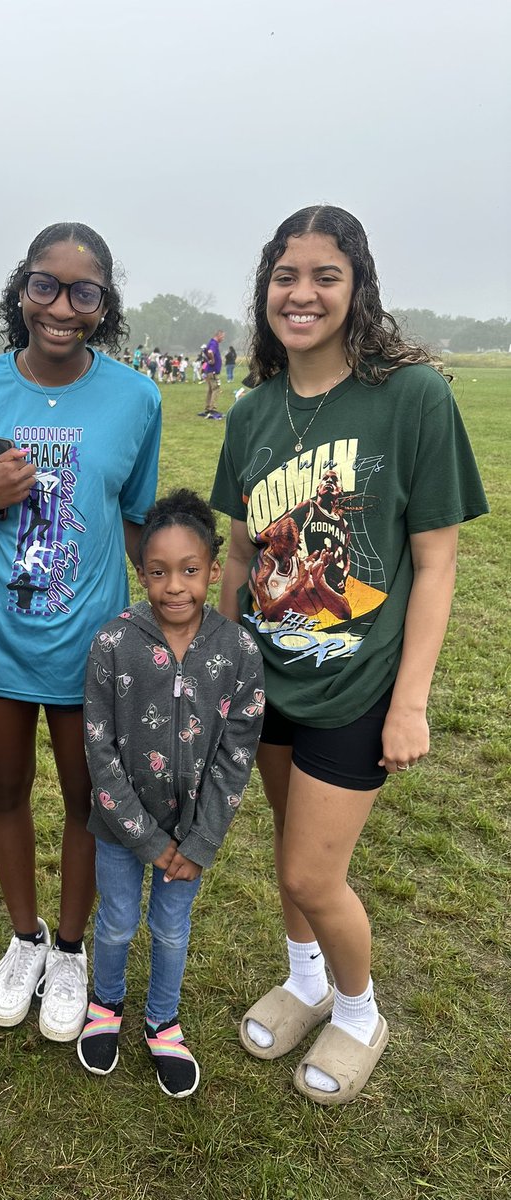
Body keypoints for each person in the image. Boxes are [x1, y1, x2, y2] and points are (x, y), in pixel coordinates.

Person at [211, 205, 488, 1105]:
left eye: (325, 275)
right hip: (266, 673)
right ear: (265, 291)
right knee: (286, 848)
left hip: (358, 682)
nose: (303, 293)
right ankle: (305, 981)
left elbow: (436, 561)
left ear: (357, 287)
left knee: (309, 871)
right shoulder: (252, 408)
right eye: (286, 275)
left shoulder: (413, 396)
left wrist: (410, 701)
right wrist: (217, 657)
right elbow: (246, 553)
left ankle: (360, 1012)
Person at [0, 222, 162, 1043]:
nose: (62, 305)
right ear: (20, 290)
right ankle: (22, 941)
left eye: (83, 291)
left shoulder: (137, 398)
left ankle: (68, 949)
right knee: (8, 792)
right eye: (45, 285)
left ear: (103, 305)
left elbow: (135, 524)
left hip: (94, 651)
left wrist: (175, 622)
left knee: (89, 803)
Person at [76, 490, 263, 1098]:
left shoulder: (238, 652)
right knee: (116, 922)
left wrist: (200, 840)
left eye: (189, 570)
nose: (174, 586)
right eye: (158, 572)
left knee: (172, 929)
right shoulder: (112, 644)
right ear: (141, 573)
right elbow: (98, 753)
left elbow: (237, 756)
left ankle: (163, 1021)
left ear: (214, 568)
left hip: (191, 840)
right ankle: (105, 1005)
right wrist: (147, 839)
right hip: (119, 830)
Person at [199, 330, 225, 418]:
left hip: (209, 371)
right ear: (218, 335)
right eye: (222, 336)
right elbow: (210, 352)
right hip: (213, 371)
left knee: (210, 389)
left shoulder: (211, 342)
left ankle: (207, 408)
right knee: (216, 388)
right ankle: (212, 408)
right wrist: (213, 360)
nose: (223, 338)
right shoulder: (214, 343)